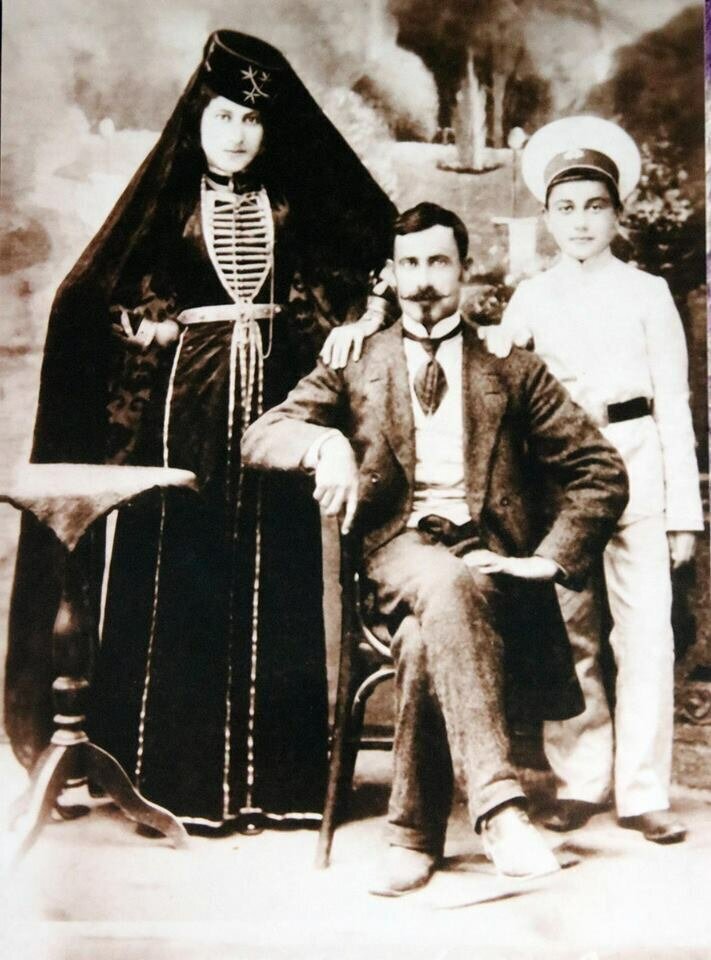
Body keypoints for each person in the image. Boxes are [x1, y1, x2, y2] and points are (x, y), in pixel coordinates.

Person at [5, 30, 395, 830]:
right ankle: (170, 777)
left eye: (252, 120)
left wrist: (361, 319)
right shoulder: (170, 204)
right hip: (186, 406)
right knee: (182, 566)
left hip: (278, 398)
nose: (238, 134)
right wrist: (143, 325)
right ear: (198, 121)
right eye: (224, 117)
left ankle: (277, 784)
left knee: (277, 567)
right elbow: (105, 294)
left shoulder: (289, 204)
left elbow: (355, 272)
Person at [242, 202, 628, 893]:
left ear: (464, 270)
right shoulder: (356, 360)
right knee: (444, 582)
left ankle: (411, 837)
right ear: (391, 275)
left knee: (425, 634)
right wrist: (325, 443)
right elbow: (262, 435)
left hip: (491, 566)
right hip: (396, 551)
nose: (423, 279)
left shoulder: (510, 367)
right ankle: (499, 808)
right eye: (410, 264)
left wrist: (545, 560)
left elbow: (600, 470)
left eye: (438, 262)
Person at [483, 116, 703, 843]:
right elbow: (502, 385)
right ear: (548, 217)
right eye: (565, 207)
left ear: (616, 213)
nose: (580, 222)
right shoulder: (531, 297)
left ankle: (642, 790)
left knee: (645, 634)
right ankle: (580, 779)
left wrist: (682, 514)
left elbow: (673, 404)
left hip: (636, 463)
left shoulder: (648, 293)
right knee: (571, 630)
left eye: (594, 206)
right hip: (562, 477)